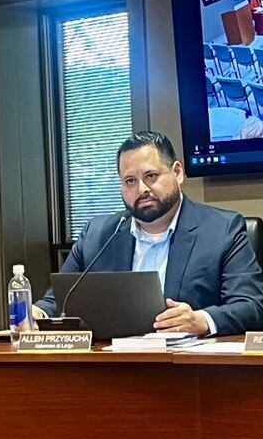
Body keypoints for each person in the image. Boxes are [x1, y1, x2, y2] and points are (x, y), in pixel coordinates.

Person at [34, 131, 263, 336]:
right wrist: (38, 314)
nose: (141, 189)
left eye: (151, 176)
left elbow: (251, 305)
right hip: (110, 366)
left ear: (177, 172)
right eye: (130, 181)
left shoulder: (223, 229)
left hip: (190, 371)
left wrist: (201, 320)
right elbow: (59, 301)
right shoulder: (97, 234)